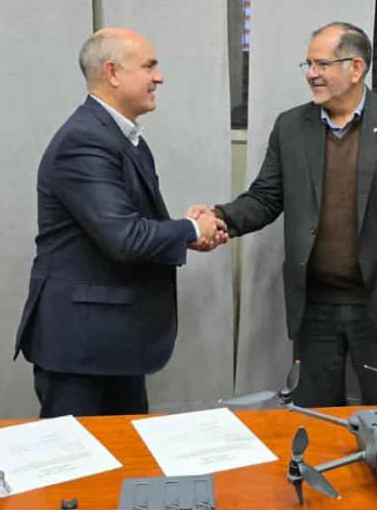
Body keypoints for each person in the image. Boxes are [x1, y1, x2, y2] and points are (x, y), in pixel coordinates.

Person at [200, 22, 377, 407]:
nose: (311, 74)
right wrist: (218, 218)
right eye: (309, 64)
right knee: (314, 418)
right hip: (314, 306)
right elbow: (265, 198)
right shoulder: (290, 126)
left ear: (356, 68)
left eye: (322, 64)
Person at [14, 28, 228, 418]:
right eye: (149, 67)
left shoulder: (121, 137)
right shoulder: (85, 141)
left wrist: (186, 230)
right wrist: (192, 229)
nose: (159, 77)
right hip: (82, 348)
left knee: (126, 452)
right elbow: (124, 237)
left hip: (113, 341)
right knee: (77, 456)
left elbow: (130, 224)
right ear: (112, 73)